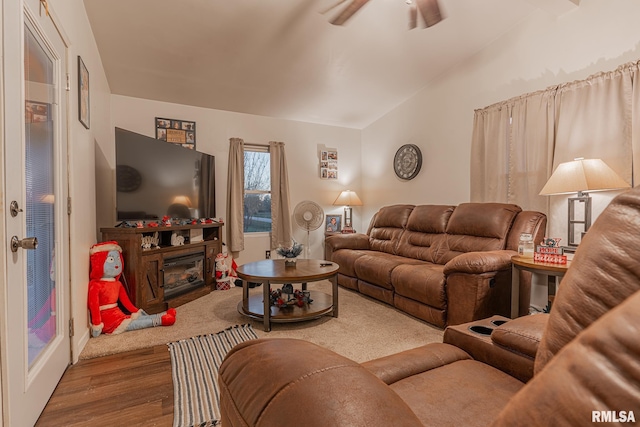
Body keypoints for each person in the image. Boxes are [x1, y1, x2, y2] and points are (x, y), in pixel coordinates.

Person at [88, 241, 176, 337]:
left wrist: (136, 311)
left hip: (119, 314)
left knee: (133, 319)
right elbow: (94, 306)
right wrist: (97, 325)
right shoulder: (96, 285)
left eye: (118, 259)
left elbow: (126, 302)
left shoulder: (117, 284)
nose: (117, 263)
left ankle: (161, 314)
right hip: (108, 322)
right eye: (111, 259)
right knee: (135, 324)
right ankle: (160, 320)